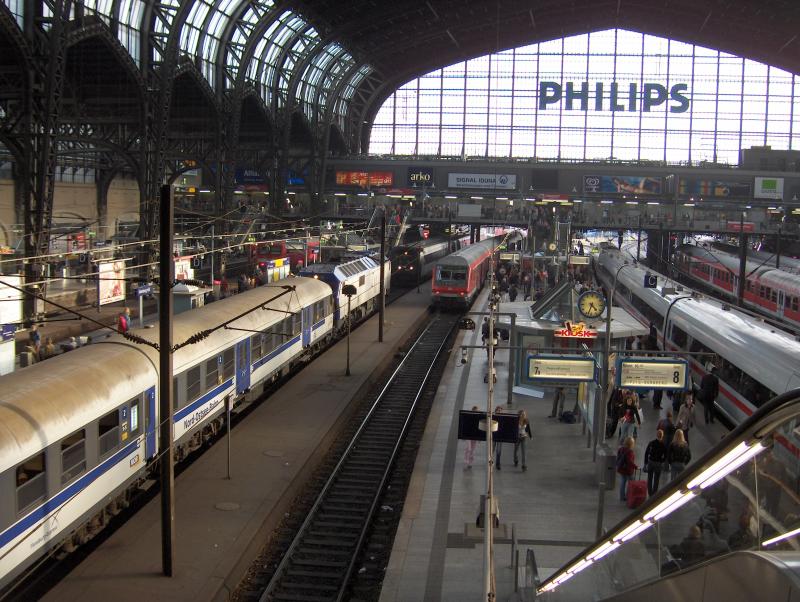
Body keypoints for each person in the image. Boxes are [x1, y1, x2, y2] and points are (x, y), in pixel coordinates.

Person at [644, 429, 667, 496]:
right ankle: (654, 493)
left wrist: (646, 462)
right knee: (656, 479)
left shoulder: (651, 443)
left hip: (651, 462)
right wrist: (661, 461)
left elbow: (646, 453)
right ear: (662, 436)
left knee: (650, 477)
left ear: (656, 435)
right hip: (658, 463)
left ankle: (650, 492)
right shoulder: (663, 445)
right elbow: (665, 456)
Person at [616, 436, 638, 502]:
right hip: (628, 470)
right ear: (631, 444)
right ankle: (629, 495)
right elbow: (630, 462)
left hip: (621, 468)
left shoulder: (621, 449)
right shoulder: (630, 452)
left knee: (623, 482)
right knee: (631, 483)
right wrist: (635, 466)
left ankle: (622, 496)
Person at [493, 405, 505, 470]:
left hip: (500, 436)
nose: (499, 411)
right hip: (494, 436)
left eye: (500, 410)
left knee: (498, 451)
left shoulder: (503, 418)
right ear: (496, 411)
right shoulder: (493, 417)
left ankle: (498, 463)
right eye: (498, 410)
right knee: (492, 450)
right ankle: (490, 462)